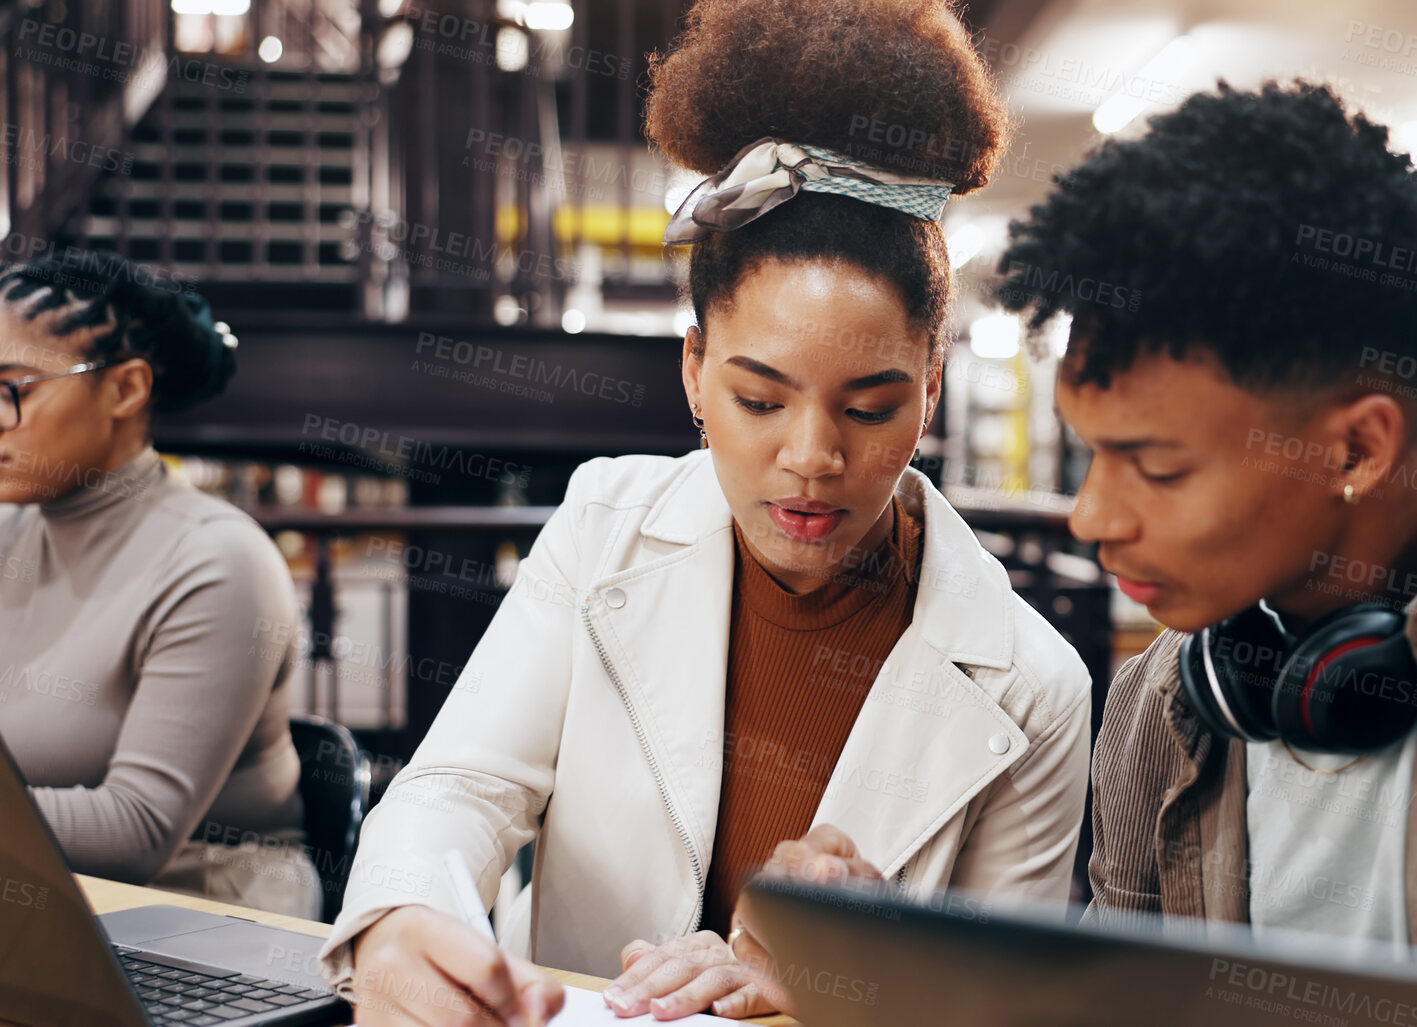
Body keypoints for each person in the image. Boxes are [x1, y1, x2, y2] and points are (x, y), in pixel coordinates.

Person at [741, 81, 1417, 1027]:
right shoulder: (1168, 697)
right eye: (1093, 457)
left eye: (1156, 466)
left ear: (1356, 445)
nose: (1092, 518)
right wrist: (917, 983)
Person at [319, 1, 1092, 1022]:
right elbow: (459, 787)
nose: (812, 458)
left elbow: (1005, 1011)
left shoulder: (1034, 686)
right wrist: (402, 914)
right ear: (693, 370)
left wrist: (858, 983)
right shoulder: (606, 519)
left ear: (933, 390)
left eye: (870, 406)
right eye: (760, 399)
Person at [0, 249, 320, 918]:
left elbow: (134, 829)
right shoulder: (10, 532)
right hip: (42, 905)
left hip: (201, 917)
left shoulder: (217, 561)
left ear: (126, 389)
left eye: (14, 390)